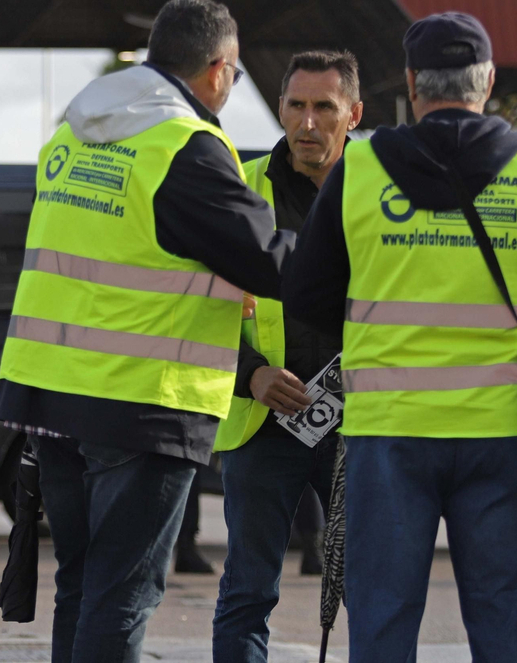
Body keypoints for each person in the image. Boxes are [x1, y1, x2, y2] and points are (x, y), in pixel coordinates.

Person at [283, 11, 517, 662]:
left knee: (383, 620)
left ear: (410, 83)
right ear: (485, 82)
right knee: (505, 624)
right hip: (503, 437)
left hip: (389, 436)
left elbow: (308, 298)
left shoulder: (362, 168)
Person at [0, 0, 296, 663]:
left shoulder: (76, 132)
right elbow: (266, 260)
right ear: (218, 69)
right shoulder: (183, 147)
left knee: (81, 584)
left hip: (53, 393)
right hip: (141, 401)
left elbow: (132, 252)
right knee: (122, 593)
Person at [212, 50, 362, 663]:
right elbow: (195, 304)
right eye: (296, 106)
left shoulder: (386, 194)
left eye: (324, 108)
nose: (307, 123)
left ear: (353, 113)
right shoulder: (236, 186)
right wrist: (252, 373)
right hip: (263, 421)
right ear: (279, 109)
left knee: (375, 588)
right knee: (248, 590)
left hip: (361, 421)